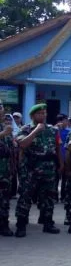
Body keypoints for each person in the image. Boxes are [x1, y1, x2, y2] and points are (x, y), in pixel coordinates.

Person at [13, 103, 63, 237]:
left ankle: (48, 223)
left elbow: (58, 148)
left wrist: (61, 164)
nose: (43, 115)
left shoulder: (53, 130)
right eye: (39, 113)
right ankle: (21, 225)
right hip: (30, 168)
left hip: (48, 168)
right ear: (32, 116)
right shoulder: (25, 129)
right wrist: (36, 131)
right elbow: (22, 144)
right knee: (25, 196)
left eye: (44, 113)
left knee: (48, 197)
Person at [0, 100, 15, 236]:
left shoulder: (6, 127)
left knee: (4, 200)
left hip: (4, 170)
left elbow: (11, 149)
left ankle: (3, 225)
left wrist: (12, 166)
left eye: (1, 108)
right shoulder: (5, 130)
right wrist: (3, 134)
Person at [55, 114, 71, 203]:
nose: (67, 122)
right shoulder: (53, 130)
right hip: (55, 157)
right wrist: (57, 129)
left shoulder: (70, 131)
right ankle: (54, 196)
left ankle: (63, 196)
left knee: (65, 178)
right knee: (55, 178)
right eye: (65, 120)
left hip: (65, 158)